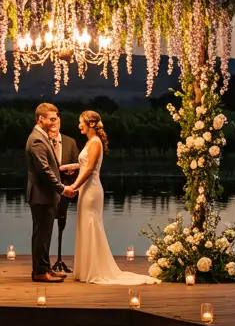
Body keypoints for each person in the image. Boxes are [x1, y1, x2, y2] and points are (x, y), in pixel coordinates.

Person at [63, 111, 154, 285]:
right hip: (86, 189)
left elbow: (90, 170)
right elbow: (85, 164)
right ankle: (85, 269)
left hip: (91, 190)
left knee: (91, 225)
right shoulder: (90, 142)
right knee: (85, 225)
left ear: (89, 124)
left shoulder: (95, 142)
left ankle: (94, 269)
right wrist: (72, 166)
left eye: (80, 122)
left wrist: (73, 186)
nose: (78, 125)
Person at [25, 103, 69, 282]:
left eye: (56, 118)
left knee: (45, 234)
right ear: (40, 119)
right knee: (42, 235)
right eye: (51, 119)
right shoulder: (36, 139)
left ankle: (44, 268)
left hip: (45, 195)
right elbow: (44, 169)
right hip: (41, 195)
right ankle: (40, 272)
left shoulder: (42, 137)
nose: (54, 122)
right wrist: (62, 188)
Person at [49, 113, 80, 273]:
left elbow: (78, 164)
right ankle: (44, 263)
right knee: (46, 224)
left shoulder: (70, 142)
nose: (55, 125)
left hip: (65, 189)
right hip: (47, 190)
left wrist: (71, 173)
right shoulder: (43, 141)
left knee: (62, 221)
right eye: (52, 121)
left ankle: (60, 259)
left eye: (57, 122)